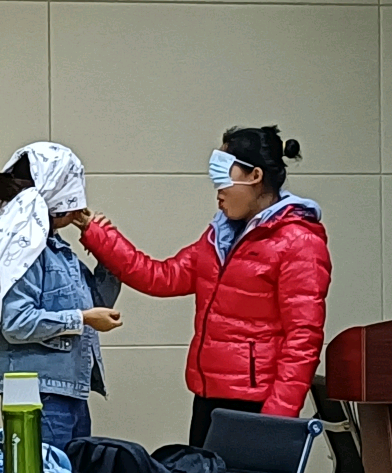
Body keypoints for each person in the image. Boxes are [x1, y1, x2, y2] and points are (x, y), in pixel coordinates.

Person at [79, 126, 332, 446]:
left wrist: (276, 420)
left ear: (255, 176)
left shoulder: (299, 242)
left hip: (257, 406)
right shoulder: (219, 238)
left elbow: (303, 340)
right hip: (209, 398)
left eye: (224, 178)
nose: (218, 191)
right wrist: (97, 233)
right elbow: (161, 276)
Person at [0, 142, 123, 450]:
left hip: (67, 388)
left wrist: (105, 246)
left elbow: (97, 301)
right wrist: (83, 319)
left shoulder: (56, 250)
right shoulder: (22, 250)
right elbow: (17, 322)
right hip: (38, 393)